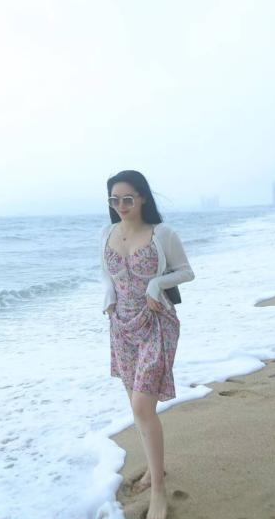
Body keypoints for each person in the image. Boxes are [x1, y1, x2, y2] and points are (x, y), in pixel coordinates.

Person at [100, 170, 194, 519]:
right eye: (114, 199)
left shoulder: (162, 233)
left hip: (156, 322)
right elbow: (106, 272)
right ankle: (155, 470)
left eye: (128, 198)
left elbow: (186, 271)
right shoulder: (107, 233)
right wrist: (108, 295)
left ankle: (158, 492)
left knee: (142, 406)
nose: (121, 205)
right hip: (121, 326)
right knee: (137, 407)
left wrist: (157, 284)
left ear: (142, 197)